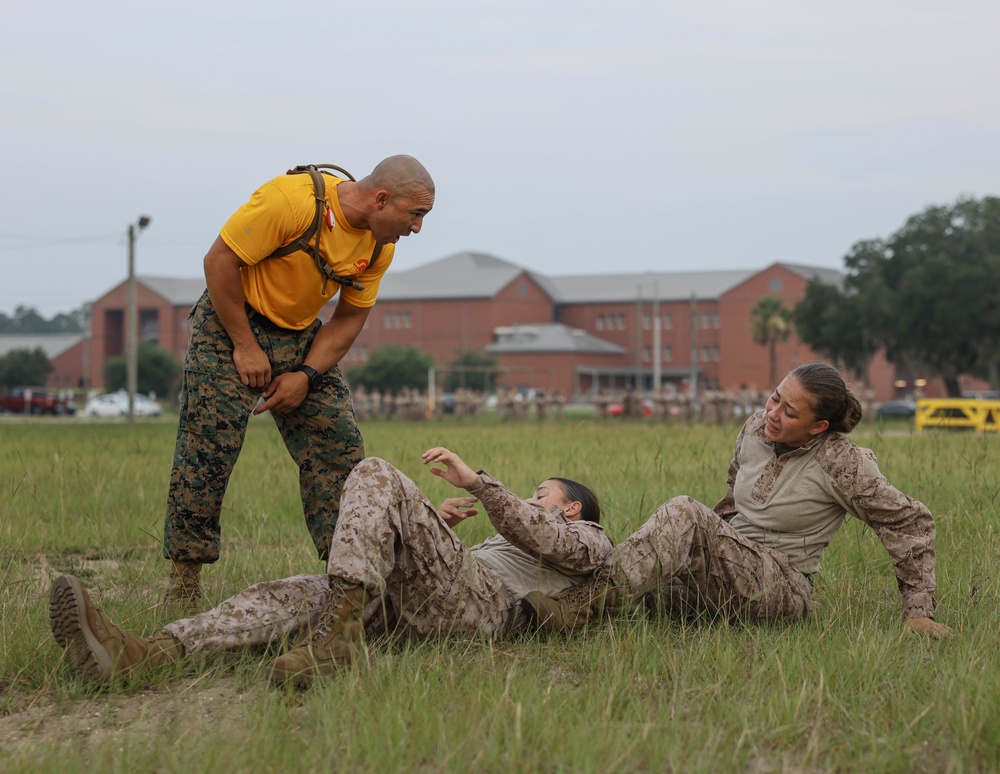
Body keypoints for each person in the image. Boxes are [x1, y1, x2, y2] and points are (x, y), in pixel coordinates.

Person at [50, 448, 612, 688]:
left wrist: (479, 483)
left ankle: (336, 639)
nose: (529, 498)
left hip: (482, 608)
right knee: (293, 592)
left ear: (569, 507)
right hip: (432, 599)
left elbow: (532, 532)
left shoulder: (588, 539)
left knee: (375, 471)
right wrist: (435, 529)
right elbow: (506, 536)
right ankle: (148, 653)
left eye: (540, 493)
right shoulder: (512, 534)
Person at [162, 156, 435, 612]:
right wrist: (245, 346)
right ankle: (184, 580)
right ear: (381, 198)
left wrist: (306, 376)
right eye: (416, 214)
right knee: (209, 448)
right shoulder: (290, 202)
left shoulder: (379, 246)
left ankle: (351, 578)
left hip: (300, 335)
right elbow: (219, 262)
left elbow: (349, 318)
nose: (417, 228)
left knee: (339, 446)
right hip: (231, 323)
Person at [523, 362, 954, 640]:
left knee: (684, 511)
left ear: (819, 426)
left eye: (789, 413)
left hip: (781, 587)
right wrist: (682, 548)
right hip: (727, 575)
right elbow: (731, 502)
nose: (772, 414)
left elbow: (909, 522)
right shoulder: (754, 429)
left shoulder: (843, 464)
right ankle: (530, 602)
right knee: (649, 576)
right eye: (774, 399)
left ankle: (581, 607)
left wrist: (918, 611)